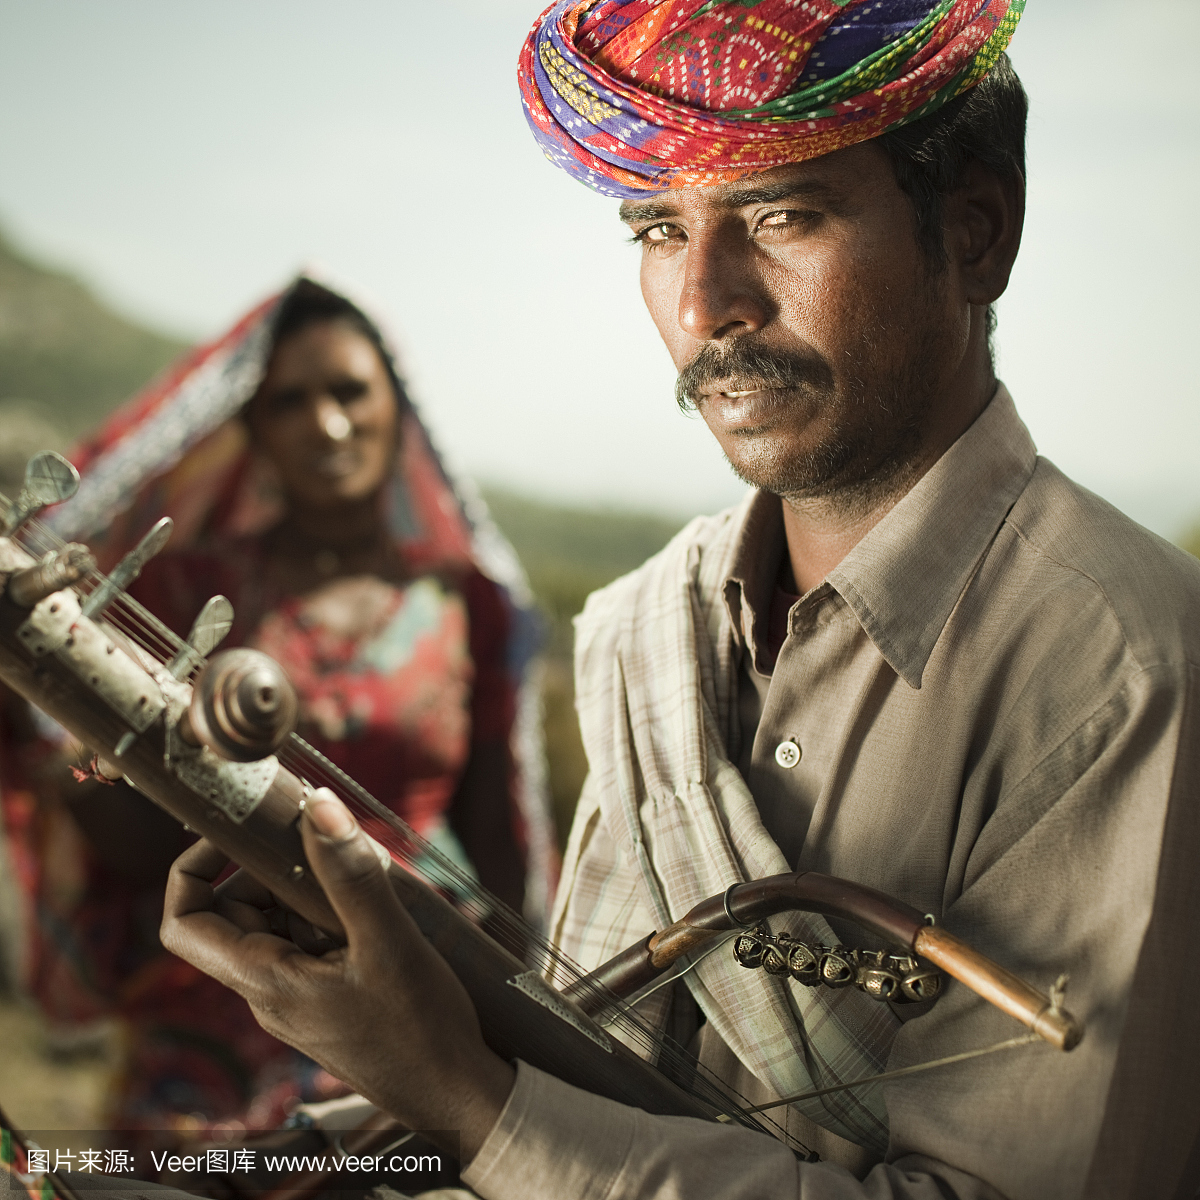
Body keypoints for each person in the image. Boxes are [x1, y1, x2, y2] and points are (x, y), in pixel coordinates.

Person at [157, 4, 1200, 1198]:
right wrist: (369, 1063)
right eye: (659, 227)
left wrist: (459, 1095)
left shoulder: (1124, 665)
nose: (706, 304)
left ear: (974, 233)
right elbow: (603, 1064)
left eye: (780, 214)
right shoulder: (654, 622)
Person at [0, 277, 555, 1140]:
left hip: (415, 1022)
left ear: (395, 408)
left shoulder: (466, 604)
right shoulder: (181, 584)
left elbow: (497, 835)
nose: (327, 424)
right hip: (213, 1026)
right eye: (291, 400)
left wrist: (527, 1036)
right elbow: (140, 838)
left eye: (349, 392)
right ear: (252, 426)